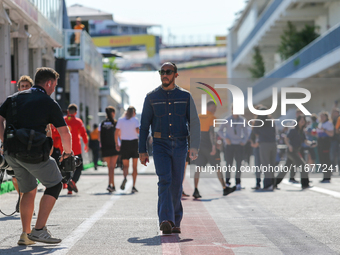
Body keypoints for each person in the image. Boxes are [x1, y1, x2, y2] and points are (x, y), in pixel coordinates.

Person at [0, 67, 72, 245]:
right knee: (55, 184)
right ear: (48, 83)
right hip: (33, 153)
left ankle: (25, 235)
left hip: (11, 153)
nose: (54, 89)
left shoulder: (13, 98)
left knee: (28, 190)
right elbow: (65, 133)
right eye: (54, 85)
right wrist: (68, 154)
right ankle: (39, 230)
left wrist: (4, 142)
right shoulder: (48, 102)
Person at [139, 62, 200, 234]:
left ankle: (176, 219)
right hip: (160, 145)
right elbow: (144, 126)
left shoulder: (185, 96)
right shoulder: (151, 97)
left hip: (181, 145)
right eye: (162, 72)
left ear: (175, 74)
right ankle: (166, 220)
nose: (164, 75)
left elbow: (194, 122)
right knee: (165, 180)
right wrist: (142, 150)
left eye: (168, 72)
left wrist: (194, 146)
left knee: (176, 184)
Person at [193, 101, 236, 198]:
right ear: (209, 107)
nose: (214, 110)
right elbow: (211, 132)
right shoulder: (212, 117)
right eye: (213, 108)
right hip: (209, 146)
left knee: (198, 168)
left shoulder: (198, 116)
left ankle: (195, 190)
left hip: (199, 146)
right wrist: (214, 146)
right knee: (218, 168)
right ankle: (225, 188)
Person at [11, 75, 34, 213]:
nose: (24, 88)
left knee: (30, 176)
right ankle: (21, 196)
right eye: (22, 86)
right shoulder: (12, 102)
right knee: (14, 176)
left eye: (27, 86)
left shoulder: (37, 104)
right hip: (14, 145)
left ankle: (27, 201)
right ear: (18, 88)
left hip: (33, 145)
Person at [275, 115, 316, 189]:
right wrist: (289, 146)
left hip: (296, 151)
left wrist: (311, 143)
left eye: (303, 120)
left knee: (286, 168)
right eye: (301, 119)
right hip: (292, 151)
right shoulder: (293, 130)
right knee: (303, 166)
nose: (302, 121)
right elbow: (286, 139)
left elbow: (305, 141)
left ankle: (274, 183)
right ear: (298, 121)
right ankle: (305, 184)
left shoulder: (302, 131)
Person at [217, 110, 248, 190]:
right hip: (229, 145)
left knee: (239, 165)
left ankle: (238, 183)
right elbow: (219, 130)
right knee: (228, 164)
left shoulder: (242, 120)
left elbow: (246, 132)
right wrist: (225, 139)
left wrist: (244, 141)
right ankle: (227, 182)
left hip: (239, 145)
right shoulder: (227, 119)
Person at [64, 104, 89, 195]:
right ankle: (73, 181)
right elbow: (83, 133)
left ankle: (69, 189)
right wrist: (86, 144)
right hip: (76, 149)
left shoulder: (63, 120)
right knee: (78, 167)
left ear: (68, 111)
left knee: (67, 168)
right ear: (76, 112)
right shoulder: (78, 121)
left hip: (65, 148)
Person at [115, 106, 140, 193]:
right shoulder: (135, 120)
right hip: (134, 143)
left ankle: (125, 178)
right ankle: (133, 186)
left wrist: (117, 144)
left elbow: (116, 132)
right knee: (135, 167)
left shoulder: (121, 120)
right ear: (133, 112)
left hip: (124, 143)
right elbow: (138, 131)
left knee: (125, 166)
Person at [253, 107, 277, 190]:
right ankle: (273, 184)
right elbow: (274, 131)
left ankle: (268, 184)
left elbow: (255, 132)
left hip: (264, 144)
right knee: (272, 165)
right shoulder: (271, 120)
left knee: (266, 165)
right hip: (273, 143)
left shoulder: (258, 121)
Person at [99, 106, 119, 192]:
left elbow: (99, 137)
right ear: (113, 113)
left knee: (109, 167)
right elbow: (118, 135)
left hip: (105, 147)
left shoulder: (102, 123)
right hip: (114, 147)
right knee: (112, 167)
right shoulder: (116, 123)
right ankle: (111, 185)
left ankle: (111, 184)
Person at [317, 111, 334, 183]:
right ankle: (324, 176)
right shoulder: (320, 124)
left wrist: (324, 130)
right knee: (322, 160)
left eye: (323, 116)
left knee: (326, 160)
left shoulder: (329, 124)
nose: (322, 118)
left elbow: (331, 134)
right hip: (320, 142)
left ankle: (328, 176)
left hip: (326, 143)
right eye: (321, 117)